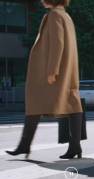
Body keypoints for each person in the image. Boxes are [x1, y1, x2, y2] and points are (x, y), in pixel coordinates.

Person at [6, 0, 84, 160]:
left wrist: (52, 70)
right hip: (65, 70)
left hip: (49, 72)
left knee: (35, 103)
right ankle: (75, 145)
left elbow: (57, 43)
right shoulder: (65, 15)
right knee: (72, 103)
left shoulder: (54, 15)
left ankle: (25, 145)